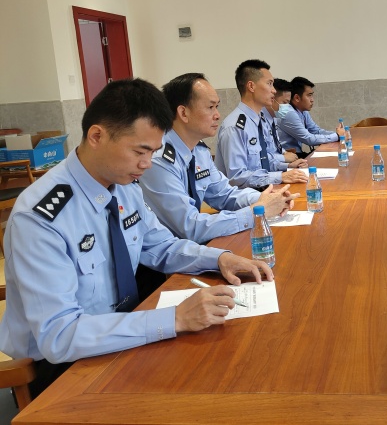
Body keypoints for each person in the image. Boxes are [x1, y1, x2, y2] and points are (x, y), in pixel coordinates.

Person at [0, 79, 274, 397]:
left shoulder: (124, 186)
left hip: (125, 332)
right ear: (97, 136)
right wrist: (175, 319)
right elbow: (59, 336)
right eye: (139, 152)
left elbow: (160, 245)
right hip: (63, 369)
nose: (146, 164)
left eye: (153, 152)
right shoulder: (41, 218)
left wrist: (220, 258)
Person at [138, 73, 296, 244]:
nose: (218, 115)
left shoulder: (199, 151)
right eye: (211, 107)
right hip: (169, 251)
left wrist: (267, 198)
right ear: (183, 113)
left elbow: (224, 194)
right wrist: (255, 211)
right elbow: (189, 227)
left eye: (217, 106)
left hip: (191, 245)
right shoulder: (158, 160)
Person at [216, 60, 308, 188]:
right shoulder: (235, 127)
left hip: (264, 190)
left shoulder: (260, 121)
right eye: (269, 84)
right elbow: (237, 178)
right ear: (251, 86)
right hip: (247, 197)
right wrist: (280, 177)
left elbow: (261, 162)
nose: (274, 90)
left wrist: (287, 166)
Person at [277, 76, 346, 157]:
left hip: (296, 154)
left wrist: (339, 134)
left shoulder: (302, 110)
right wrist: (337, 136)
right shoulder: (289, 113)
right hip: (288, 156)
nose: (312, 100)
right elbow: (309, 139)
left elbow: (315, 130)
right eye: (309, 95)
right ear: (297, 98)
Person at [261, 77, 307, 168]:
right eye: (285, 103)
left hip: (277, 166)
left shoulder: (274, 118)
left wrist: (288, 163)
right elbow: (260, 157)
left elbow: (275, 148)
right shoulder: (260, 121)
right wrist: (283, 158)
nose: (287, 107)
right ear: (272, 99)